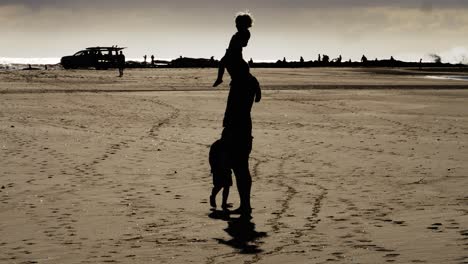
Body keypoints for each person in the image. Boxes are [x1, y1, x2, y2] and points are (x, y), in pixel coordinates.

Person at [213, 12, 260, 219]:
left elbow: (239, 110)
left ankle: (246, 205)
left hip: (238, 128)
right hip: (238, 126)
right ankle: (245, 205)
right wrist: (220, 77)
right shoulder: (239, 66)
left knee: (240, 167)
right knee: (240, 167)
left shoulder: (241, 72)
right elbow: (224, 63)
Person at [209, 139, 232, 210]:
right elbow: (211, 158)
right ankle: (213, 196)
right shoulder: (217, 145)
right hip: (218, 168)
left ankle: (224, 203)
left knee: (227, 186)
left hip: (225, 167)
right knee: (219, 185)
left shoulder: (226, 144)